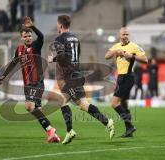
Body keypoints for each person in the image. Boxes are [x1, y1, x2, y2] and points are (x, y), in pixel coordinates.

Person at [48, 15, 115, 144]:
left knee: (73, 103)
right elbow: (75, 56)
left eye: (57, 24)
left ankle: (104, 123)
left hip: (71, 76)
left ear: (60, 25)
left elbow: (63, 56)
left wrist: (53, 59)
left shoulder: (59, 39)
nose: (57, 26)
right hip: (76, 74)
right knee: (73, 102)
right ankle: (72, 130)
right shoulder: (75, 38)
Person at [0, 16, 60, 143]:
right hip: (27, 84)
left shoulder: (36, 46)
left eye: (30, 36)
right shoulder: (19, 50)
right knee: (37, 110)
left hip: (37, 82)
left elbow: (41, 36)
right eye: (25, 36)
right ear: (21, 38)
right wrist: (4, 75)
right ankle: (51, 131)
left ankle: (51, 131)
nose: (28, 38)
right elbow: (13, 63)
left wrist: (32, 26)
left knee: (29, 106)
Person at [105, 27, 148, 137]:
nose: (125, 36)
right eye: (123, 34)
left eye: (127, 34)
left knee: (114, 103)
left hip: (128, 77)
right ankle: (129, 131)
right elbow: (106, 56)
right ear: (119, 35)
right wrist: (116, 51)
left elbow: (145, 59)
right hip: (121, 77)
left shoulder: (133, 46)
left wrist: (131, 56)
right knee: (124, 104)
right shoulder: (116, 46)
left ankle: (129, 126)